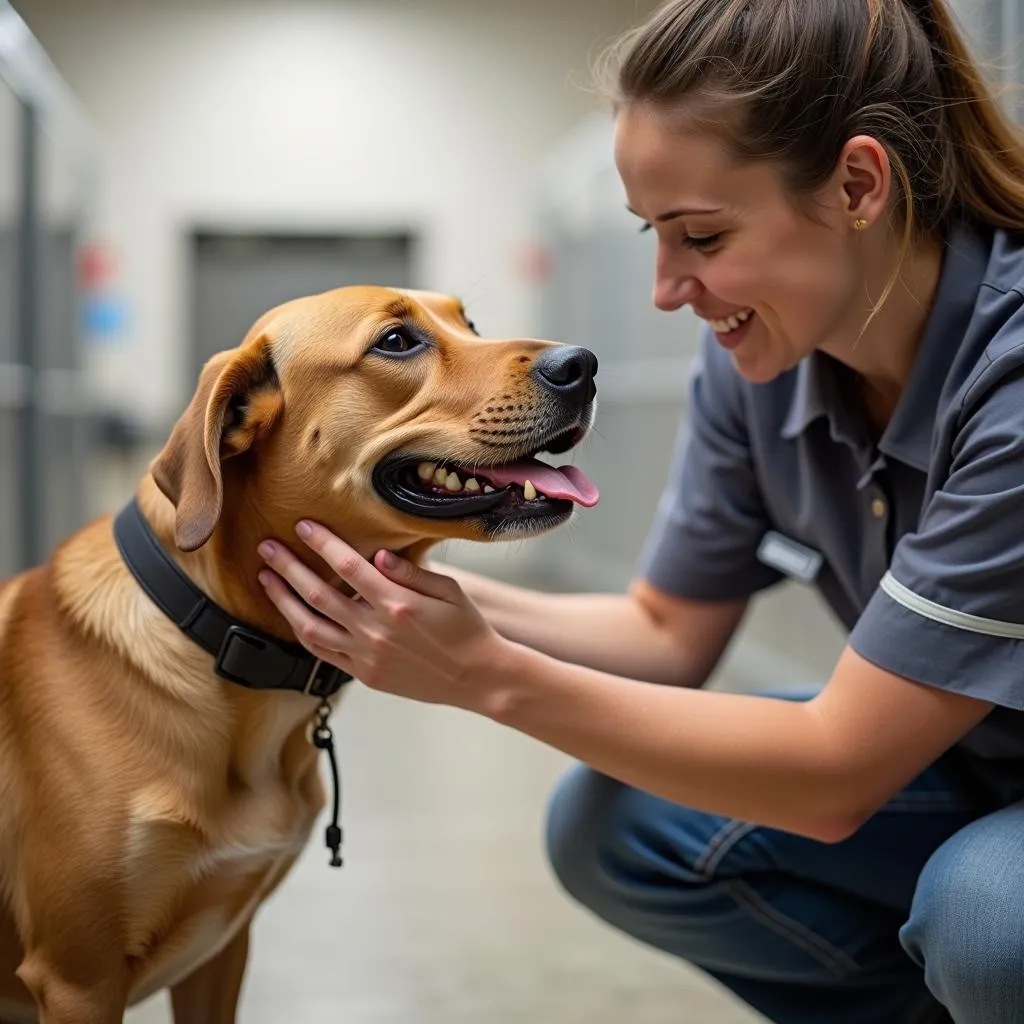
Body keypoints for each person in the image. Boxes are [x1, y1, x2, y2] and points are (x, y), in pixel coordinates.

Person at [253, 1, 1024, 1020]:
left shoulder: (1008, 382)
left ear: (857, 184)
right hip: (971, 762)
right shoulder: (760, 364)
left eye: (701, 234)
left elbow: (836, 771)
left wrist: (484, 675)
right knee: (615, 823)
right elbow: (664, 633)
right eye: (651, 235)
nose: (665, 290)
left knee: (985, 919)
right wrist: (397, 592)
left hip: (936, 788)